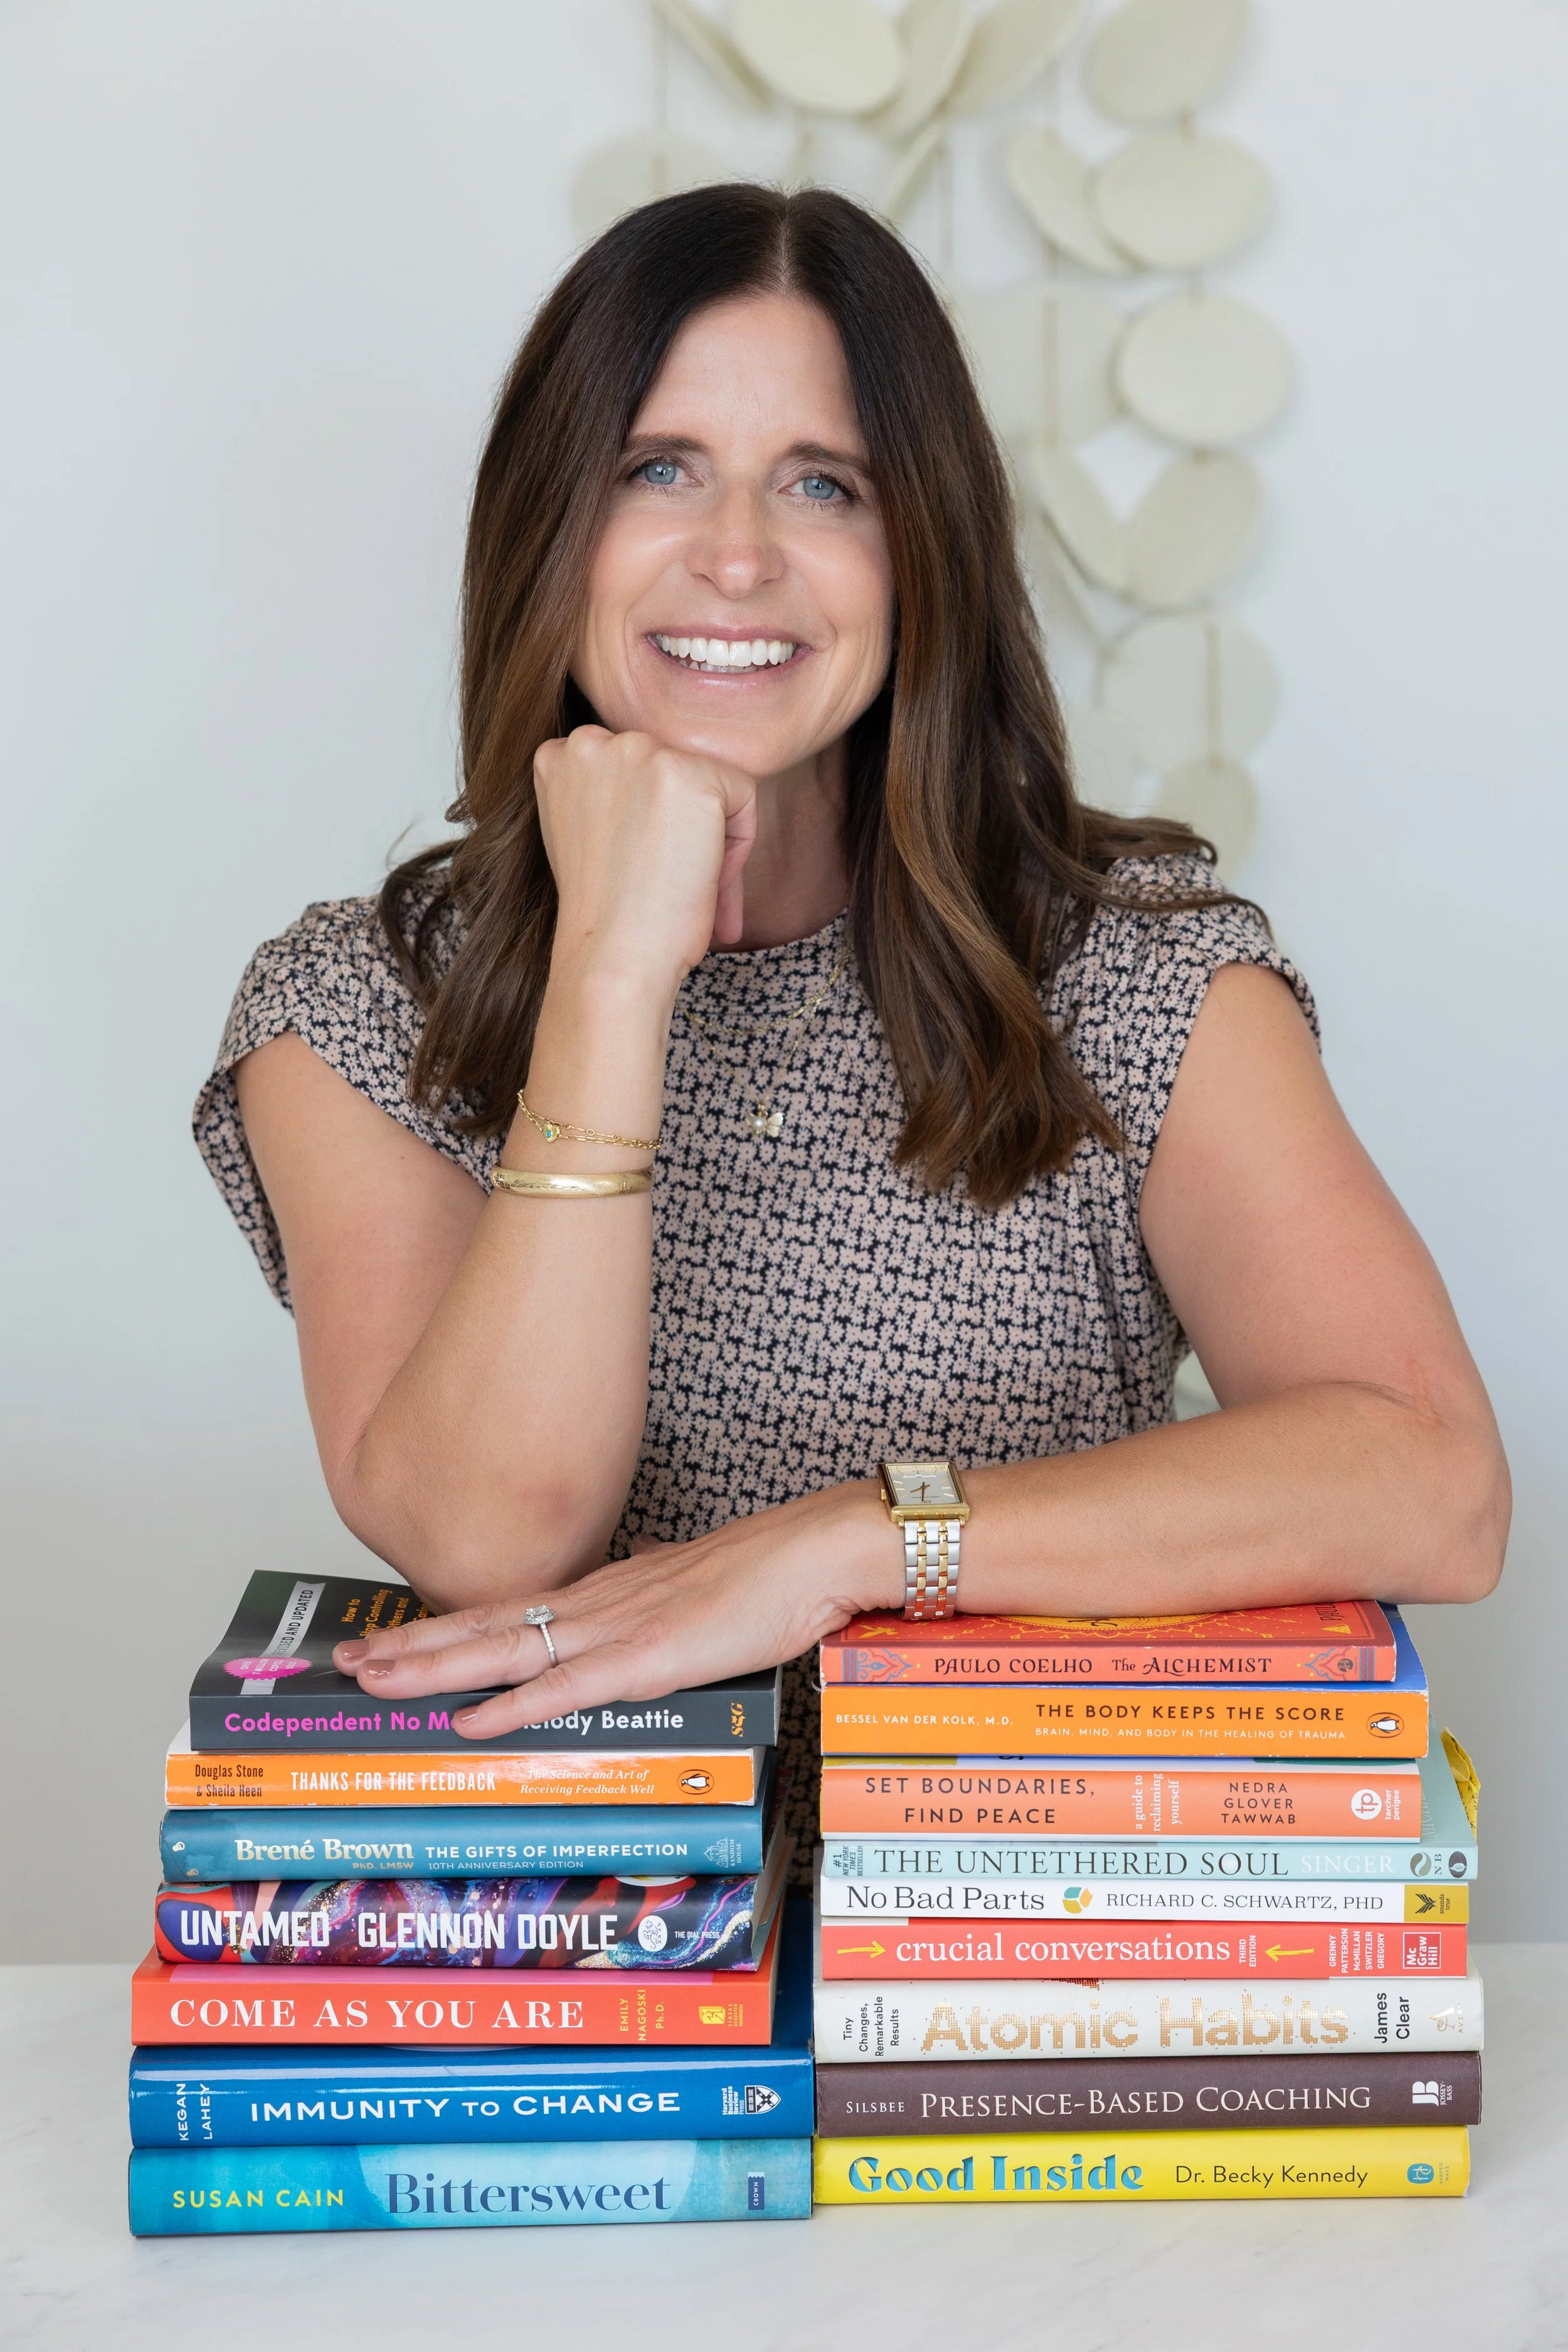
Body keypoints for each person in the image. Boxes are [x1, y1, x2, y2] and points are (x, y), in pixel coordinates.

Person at [195, 186, 1507, 1881]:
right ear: (548, 529)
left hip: (1038, 1958)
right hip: (595, 1987)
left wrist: (853, 1542)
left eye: (822, 484)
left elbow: (1433, 1482)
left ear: (917, 558)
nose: (736, 552)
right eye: (656, 467)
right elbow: (493, 1534)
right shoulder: (352, 1011)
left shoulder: (1135, 974)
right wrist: (612, 968)